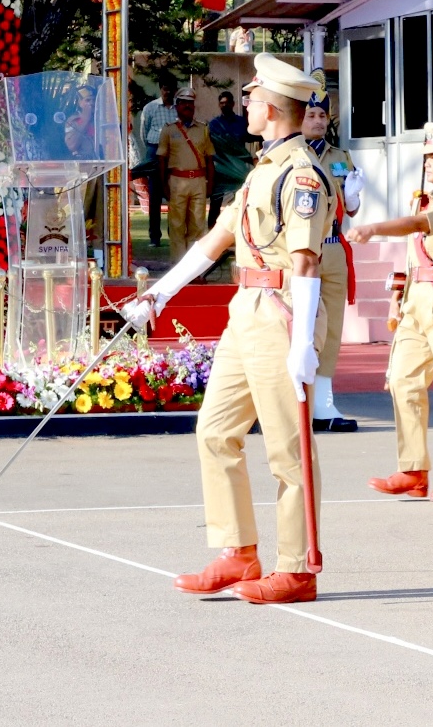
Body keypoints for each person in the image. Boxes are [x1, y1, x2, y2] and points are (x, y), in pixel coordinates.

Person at [124, 54, 331, 605]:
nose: (246, 104)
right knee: (216, 430)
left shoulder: (301, 174)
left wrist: (304, 344)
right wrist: (159, 294)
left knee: (287, 449)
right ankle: (238, 551)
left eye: (253, 98)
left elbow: (307, 262)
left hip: (284, 309)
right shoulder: (264, 167)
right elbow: (216, 240)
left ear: (274, 108)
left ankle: (297, 567)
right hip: (248, 308)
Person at [350, 123, 433, 503]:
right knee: (402, 380)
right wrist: (397, 293)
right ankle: (412, 469)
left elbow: (417, 226)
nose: (427, 163)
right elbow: (412, 256)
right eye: (425, 157)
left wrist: (375, 227)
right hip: (416, 302)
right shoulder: (425, 198)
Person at [303, 76, 362, 433]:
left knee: (332, 328)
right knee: (300, 324)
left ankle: (323, 401)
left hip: (333, 249)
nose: (319, 121)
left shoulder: (341, 157)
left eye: (322, 115)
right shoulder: (290, 154)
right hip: (302, 250)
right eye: (311, 114)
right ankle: (295, 397)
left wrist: (353, 197)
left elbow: (352, 208)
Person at [157, 88, 214, 259]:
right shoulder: (168, 130)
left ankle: (194, 269)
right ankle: (178, 266)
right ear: (177, 106)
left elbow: (210, 158)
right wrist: (163, 186)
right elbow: (161, 160)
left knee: (197, 225)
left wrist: (210, 183)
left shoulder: (203, 129)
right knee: (176, 226)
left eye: (190, 103)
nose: (187, 106)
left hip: (198, 181)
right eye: (183, 103)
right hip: (176, 181)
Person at [137, 79, 179, 246]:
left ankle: (174, 234)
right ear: (161, 89)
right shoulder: (151, 107)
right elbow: (144, 131)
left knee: (174, 195)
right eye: (164, 89)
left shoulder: (179, 107)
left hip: (174, 152)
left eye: (170, 89)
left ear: (175, 90)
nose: (167, 92)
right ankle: (154, 237)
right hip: (154, 150)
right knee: (154, 195)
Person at [206, 90, 255, 228]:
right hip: (220, 169)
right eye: (221, 103)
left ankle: (241, 230)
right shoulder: (214, 124)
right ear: (218, 105)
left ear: (233, 104)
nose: (224, 105)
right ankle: (212, 231)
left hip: (239, 168)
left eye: (227, 103)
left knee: (241, 200)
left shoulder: (242, 122)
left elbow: (255, 137)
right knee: (215, 202)